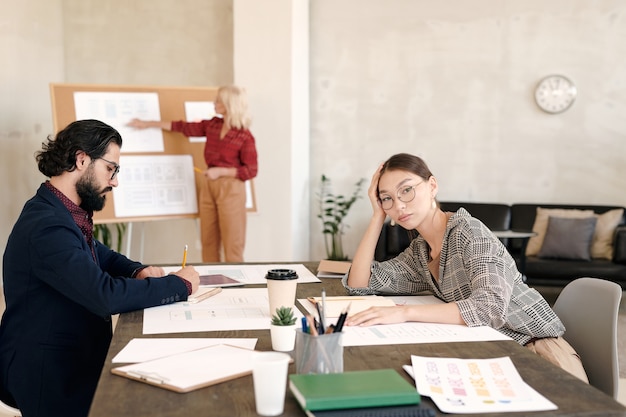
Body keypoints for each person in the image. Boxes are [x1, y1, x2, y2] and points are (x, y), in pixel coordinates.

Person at [0, 119, 200, 417]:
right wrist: (179, 285)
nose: (115, 180)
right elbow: (104, 295)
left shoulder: (60, 209)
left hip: (69, 357)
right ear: (82, 159)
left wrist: (136, 270)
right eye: (111, 168)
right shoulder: (46, 225)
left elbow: (96, 253)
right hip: (48, 373)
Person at [342, 152, 588, 382]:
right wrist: (377, 217)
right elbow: (360, 283)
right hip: (493, 349)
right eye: (387, 198)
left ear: (432, 186)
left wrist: (404, 312)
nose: (399, 205)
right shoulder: (420, 252)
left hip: (537, 350)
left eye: (406, 190)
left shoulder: (470, 232)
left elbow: (488, 308)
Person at [128, 85, 258, 263]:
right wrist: (148, 124)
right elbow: (182, 127)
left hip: (231, 189)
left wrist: (221, 171)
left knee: (233, 246)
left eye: (218, 100)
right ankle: (214, 283)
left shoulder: (244, 136)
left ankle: (237, 286)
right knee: (208, 242)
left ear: (229, 104)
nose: (214, 103)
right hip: (209, 186)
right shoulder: (213, 125)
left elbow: (251, 170)